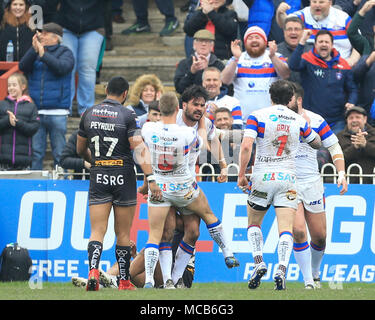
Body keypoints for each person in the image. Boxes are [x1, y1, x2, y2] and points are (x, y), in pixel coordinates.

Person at [140, 91, 238, 289]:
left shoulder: (149, 128)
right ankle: (227, 251)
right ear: (180, 107)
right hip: (184, 186)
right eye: (196, 105)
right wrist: (202, 124)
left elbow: (144, 154)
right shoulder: (188, 132)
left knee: (176, 233)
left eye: (203, 106)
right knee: (204, 216)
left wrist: (146, 182)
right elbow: (202, 142)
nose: (200, 109)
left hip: (160, 187)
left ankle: (161, 280)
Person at [76, 76, 162, 291]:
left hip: (99, 174)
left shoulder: (88, 113)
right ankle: (124, 281)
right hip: (123, 175)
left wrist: (93, 159)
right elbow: (138, 147)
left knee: (97, 231)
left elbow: (79, 149)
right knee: (123, 233)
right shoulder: (127, 114)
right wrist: (150, 177)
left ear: (106, 90)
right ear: (125, 94)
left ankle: (93, 273)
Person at [237, 79, 321, 290]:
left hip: (263, 176)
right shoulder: (298, 119)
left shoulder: (257, 116)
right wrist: (308, 130)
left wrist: (241, 174)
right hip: (288, 179)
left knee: (253, 223)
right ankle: (281, 269)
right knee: (286, 229)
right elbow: (316, 143)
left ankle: (259, 262)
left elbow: (247, 145)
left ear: (270, 96)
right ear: (291, 99)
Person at [289, 81, 348, 289]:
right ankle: (308, 281)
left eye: (290, 98)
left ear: (299, 100)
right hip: (288, 182)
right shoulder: (277, 120)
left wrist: (341, 173)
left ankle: (315, 271)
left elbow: (334, 146)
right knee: (298, 231)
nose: (286, 102)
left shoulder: (316, 120)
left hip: (312, 181)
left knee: (320, 237)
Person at [19, 22, 74, 170]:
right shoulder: (35, 52)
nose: (41, 36)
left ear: (56, 37)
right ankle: (35, 181)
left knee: (59, 152)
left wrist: (43, 54)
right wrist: (33, 49)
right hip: (36, 111)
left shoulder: (65, 52)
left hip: (58, 111)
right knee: (36, 152)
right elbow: (22, 67)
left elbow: (61, 68)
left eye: (45, 34)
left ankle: (62, 181)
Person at [288, 29, 357, 135]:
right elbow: (293, 65)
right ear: (315, 45)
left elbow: (352, 89)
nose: (323, 44)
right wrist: (302, 41)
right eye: (320, 42)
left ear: (332, 45)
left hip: (336, 122)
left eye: (326, 42)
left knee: (334, 151)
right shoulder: (308, 59)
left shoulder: (344, 64)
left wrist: (351, 102)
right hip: (311, 120)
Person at [221, 26, 290, 124]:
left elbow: (285, 74)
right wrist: (236, 58)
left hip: (271, 120)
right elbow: (224, 80)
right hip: (243, 120)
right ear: (245, 43)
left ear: (265, 41)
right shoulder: (238, 58)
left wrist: (273, 56)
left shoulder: (276, 56)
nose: (254, 40)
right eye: (250, 38)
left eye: (257, 37)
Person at [53, 0, 105, 116]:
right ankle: (65, 107)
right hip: (66, 28)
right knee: (67, 67)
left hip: (94, 28)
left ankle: (86, 110)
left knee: (87, 69)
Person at [275, 0, 360, 65]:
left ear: (330, 2)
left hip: (339, 68)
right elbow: (286, 24)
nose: (317, 5)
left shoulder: (343, 18)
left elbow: (359, 42)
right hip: (311, 69)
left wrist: (351, 61)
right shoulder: (303, 15)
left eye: (321, 2)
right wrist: (280, 13)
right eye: (314, 1)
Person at [0, 73, 39, 170]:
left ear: (23, 87)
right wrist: (7, 121)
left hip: (24, 160)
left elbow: (34, 128)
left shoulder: (31, 106)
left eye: (14, 85)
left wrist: (17, 123)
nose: (11, 88)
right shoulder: (2, 104)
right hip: (4, 159)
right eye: (9, 85)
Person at [174, 29, 225, 95]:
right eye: (200, 41)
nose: (203, 44)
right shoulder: (184, 64)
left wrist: (207, 71)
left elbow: (225, 87)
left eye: (207, 41)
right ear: (194, 45)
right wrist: (191, 72)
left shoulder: (218, 65)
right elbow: (179, 88)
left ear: (212, 46)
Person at [337, 106, 375, 184]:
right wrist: (354, 147)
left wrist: (365, 145)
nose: (354, 120)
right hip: (348, 184)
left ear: (365, 119)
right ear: (347, 121)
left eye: (358, 117)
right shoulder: (339, 137)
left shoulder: (374, 134)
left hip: (372, 183)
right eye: (351, 118)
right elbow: (336, 160)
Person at [277, 15, 313, 84]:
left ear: (303, 32)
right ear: (284, 32)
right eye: (289, 29)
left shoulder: (312, 51)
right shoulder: (276, 52)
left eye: (297, 29)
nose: (293, 32)